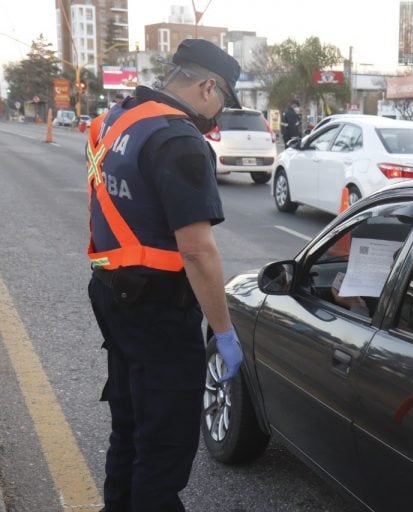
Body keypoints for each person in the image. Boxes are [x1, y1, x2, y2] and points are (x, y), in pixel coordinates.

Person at [86, 38, 244, 512]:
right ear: (208, 86)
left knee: (129, 431)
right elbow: (197, 251)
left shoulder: (117, 120)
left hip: (113, 294)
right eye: (222, 101)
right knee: (163, 452)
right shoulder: (179, 140)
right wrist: (224, 331)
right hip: (158, 312)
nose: (217, 115)